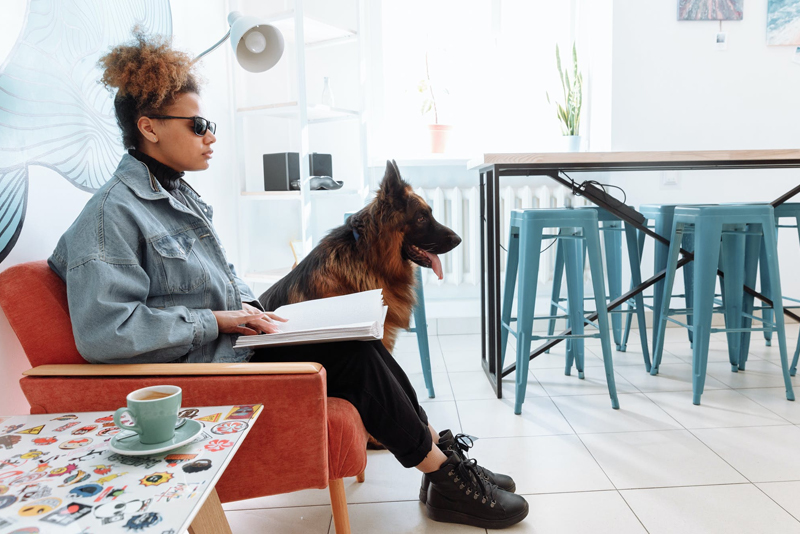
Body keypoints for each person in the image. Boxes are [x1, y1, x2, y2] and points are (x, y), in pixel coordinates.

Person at [47, 31, 528, 529]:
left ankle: (441, 461)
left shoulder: (177, 198)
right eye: (198, 125)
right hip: (203, 374)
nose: (211, 135)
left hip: (234, 346)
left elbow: (218, 282)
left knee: (360, 339)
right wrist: (217, 320)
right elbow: (106, 333)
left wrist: (256, 312)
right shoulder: (109, 219)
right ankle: (445, 478)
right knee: (354, 355)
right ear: (148, 127)